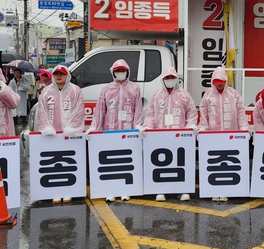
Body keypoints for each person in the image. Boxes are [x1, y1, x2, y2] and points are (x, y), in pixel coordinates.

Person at [87, 59, 143, 203]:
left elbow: (138, 109)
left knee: (126, 160)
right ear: (113, 72)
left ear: (127, 71)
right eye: (117, 71)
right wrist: (94, 127)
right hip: (110, 131)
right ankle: (111, 190)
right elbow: (100, 110)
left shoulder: (135, 88)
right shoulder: (106, 89)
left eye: (122, 70)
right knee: (112, 160)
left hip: (127, 131)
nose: (120, 73)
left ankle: (126, 190)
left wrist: (138, 126)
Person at [141, 67, 198, 202]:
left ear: (176, 79)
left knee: (180, 163)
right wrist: (148, 127)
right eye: (167, 78)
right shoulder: (157, 95)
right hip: (162, 136)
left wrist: (190, 125)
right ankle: (162, 190)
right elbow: (150, 114)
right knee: (163, 162)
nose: (170, 81)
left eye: (172, 78)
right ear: (163, 80)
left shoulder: (184, 95)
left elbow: (191, 112)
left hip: (180, 136)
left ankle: (182, 190)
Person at [198, 66, 249, 202]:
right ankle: (215, 190)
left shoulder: (234, 94)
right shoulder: (207, 96)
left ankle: (227, 189)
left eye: (221, 81)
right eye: (216, 82)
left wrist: (244, 129)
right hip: (213, 137)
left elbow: (240, 114)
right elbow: (203, 116)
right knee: (215, 163)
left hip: (230, 136)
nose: (219, 84)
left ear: (226, 80)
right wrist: (202, 130)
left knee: (227, 163)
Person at [38, 64, 85, 205]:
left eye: (62, 74)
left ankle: (69, 190)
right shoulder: (46, 92)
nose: (59, 76)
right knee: (55, 164)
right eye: (57, 74)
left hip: (71, 136)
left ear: (67, 75)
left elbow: (79, 111)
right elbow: (41, 113)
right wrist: (46, 128)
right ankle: (55, 191)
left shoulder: (75, 91)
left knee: (70, 163)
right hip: (53, 136)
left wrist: (73, 128)